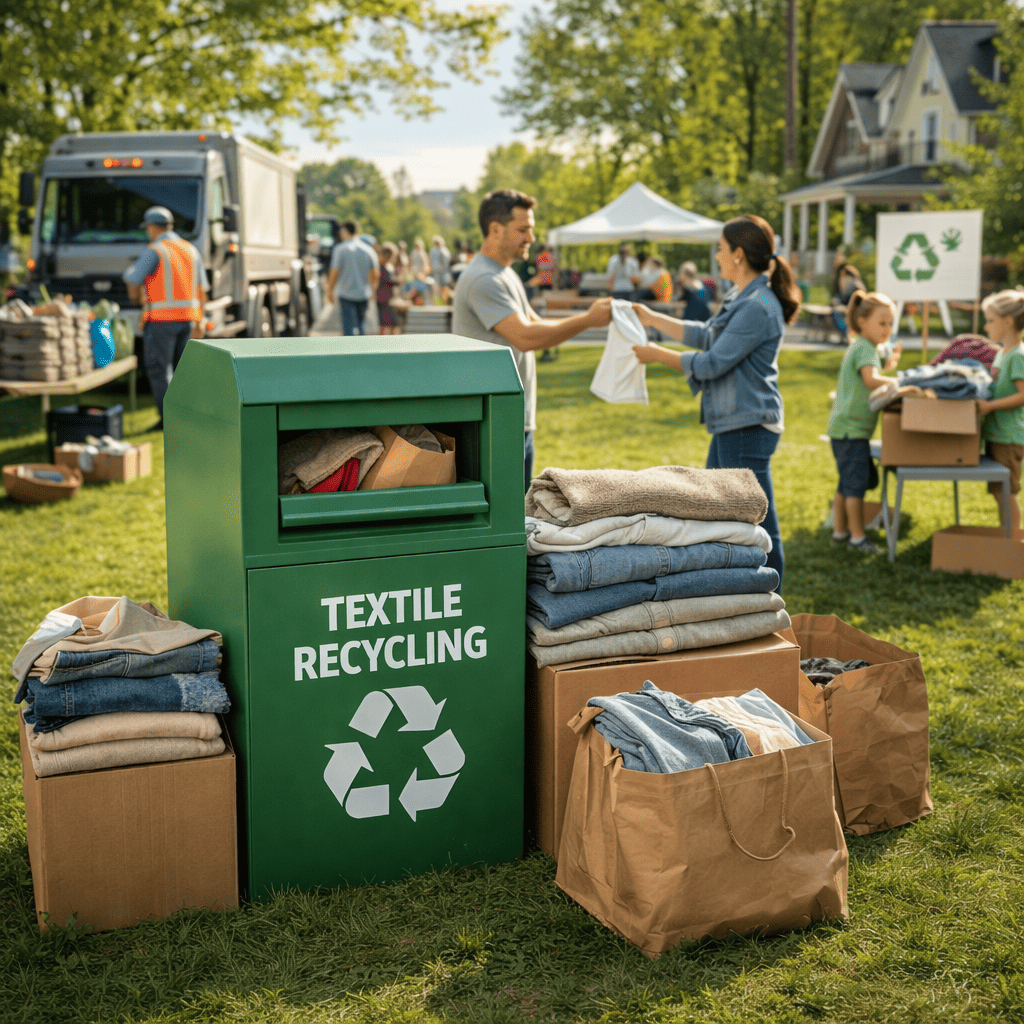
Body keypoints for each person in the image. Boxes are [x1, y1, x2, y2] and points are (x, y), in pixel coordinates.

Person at [629, 214, 802, 591]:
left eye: (721, 249)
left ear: (738, 254)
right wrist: (654, 318)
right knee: (715, 513)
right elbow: (708, 336)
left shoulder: (757, 305)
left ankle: (771, 598)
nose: (718, 256)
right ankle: (737, 591)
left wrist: (658, 354)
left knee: (755, 521)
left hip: (747, 426)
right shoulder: (745, 296)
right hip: (734, 423)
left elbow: (712, 363)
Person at [452, 188, 612, 491]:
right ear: (496, 230)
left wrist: (588, 314)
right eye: (523, 229)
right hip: (493, 422)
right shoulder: (484, 279)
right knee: (506, 517)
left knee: (519, 510)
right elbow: (525, 336)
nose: (530, 238)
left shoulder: (505, 273)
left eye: (531, 229)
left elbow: (535, 325)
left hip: (515, 417)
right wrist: (588, 320)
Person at [826, 290, 910, 554]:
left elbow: (872, 372)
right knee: (855, 487)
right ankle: (857, 537)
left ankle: (840, 532)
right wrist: (900, 383)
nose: (887, 329)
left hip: (844, 429)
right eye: (882, 323)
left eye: (890, 324)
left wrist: (888, 365)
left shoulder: (863, 346)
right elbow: (871, 380)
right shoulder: (865, 347)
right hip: (852, 430)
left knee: (845, 483)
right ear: (862, 321)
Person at [123, 205, 206, 430]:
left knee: (160, 371)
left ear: (152, 227)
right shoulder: (191, 249)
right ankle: (187, 417)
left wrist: (135, 298)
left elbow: (133, 278)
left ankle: (170, 421)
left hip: (161, 321)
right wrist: (200, 321)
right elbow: (202, 289)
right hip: (188, 320)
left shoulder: (156, 249)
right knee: (182, 372)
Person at [977, 288, 1024, 538]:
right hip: (997, 435)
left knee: (1007, 492)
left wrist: (991, 406)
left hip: (1009, 437)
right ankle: (1006, 536)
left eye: (991, 320)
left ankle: (1014, 542)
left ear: (1008, 322)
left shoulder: (1017, 356)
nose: (986, 327)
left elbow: (1023, 395)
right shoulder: (1001, 354)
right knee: (999, 492)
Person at [327, 220, 379, 335]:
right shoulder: (369, 250)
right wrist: (372, 290)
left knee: (348, 325)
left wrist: (329, 290)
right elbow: (375, 273)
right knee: (361, 324)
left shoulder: (340, 249)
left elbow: (334, 272)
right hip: (363, 293)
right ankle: (362, 351)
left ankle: (349, 351)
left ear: (345, 231)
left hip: (346, 293)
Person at [830, 261, 865, 337]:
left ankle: (847, 333)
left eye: (843, 276)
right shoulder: (852, 285)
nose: (841, 279)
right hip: (851, 311)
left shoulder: (855, 287)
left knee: (836, 312)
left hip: (856, 313)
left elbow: (854, 303)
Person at [375, 242, 401, 335]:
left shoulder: (388, 267)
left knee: (392, 324)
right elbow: (390, 281)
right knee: (386, 325)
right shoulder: (380, 267)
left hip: (387, 299)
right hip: (383, 299)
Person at [407, 237, 431, 303]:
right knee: (415, 289)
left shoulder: (422, 253)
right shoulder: (415, 253)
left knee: (420, 288)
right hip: (416, 273)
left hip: (420, 273)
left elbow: (425, 265)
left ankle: (423, 302)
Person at [429, 236, 451, 304]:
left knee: (444, 289)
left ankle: (443, 303)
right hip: (436, 273)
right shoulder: (433, 251)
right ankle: (435, 304)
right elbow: (431, 261)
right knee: (436, 289)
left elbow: (447, 262)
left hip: (444, 272)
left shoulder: (445, 251)